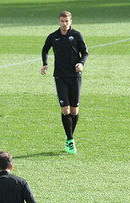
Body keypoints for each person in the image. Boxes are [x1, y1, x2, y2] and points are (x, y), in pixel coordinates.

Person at [41, 11, 88, 154]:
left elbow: (85, 52)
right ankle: (70, 140)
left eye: (66, 21)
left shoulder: (77, 35)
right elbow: (45, 50)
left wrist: (81, 63)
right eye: (62, 21)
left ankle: (70, 137)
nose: (64, 23)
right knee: (65, 109)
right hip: (60, 77)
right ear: (59, 22)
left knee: (74, 111)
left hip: (75, 77)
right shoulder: (53, 36)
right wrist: (45, 64)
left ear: (71, 21)